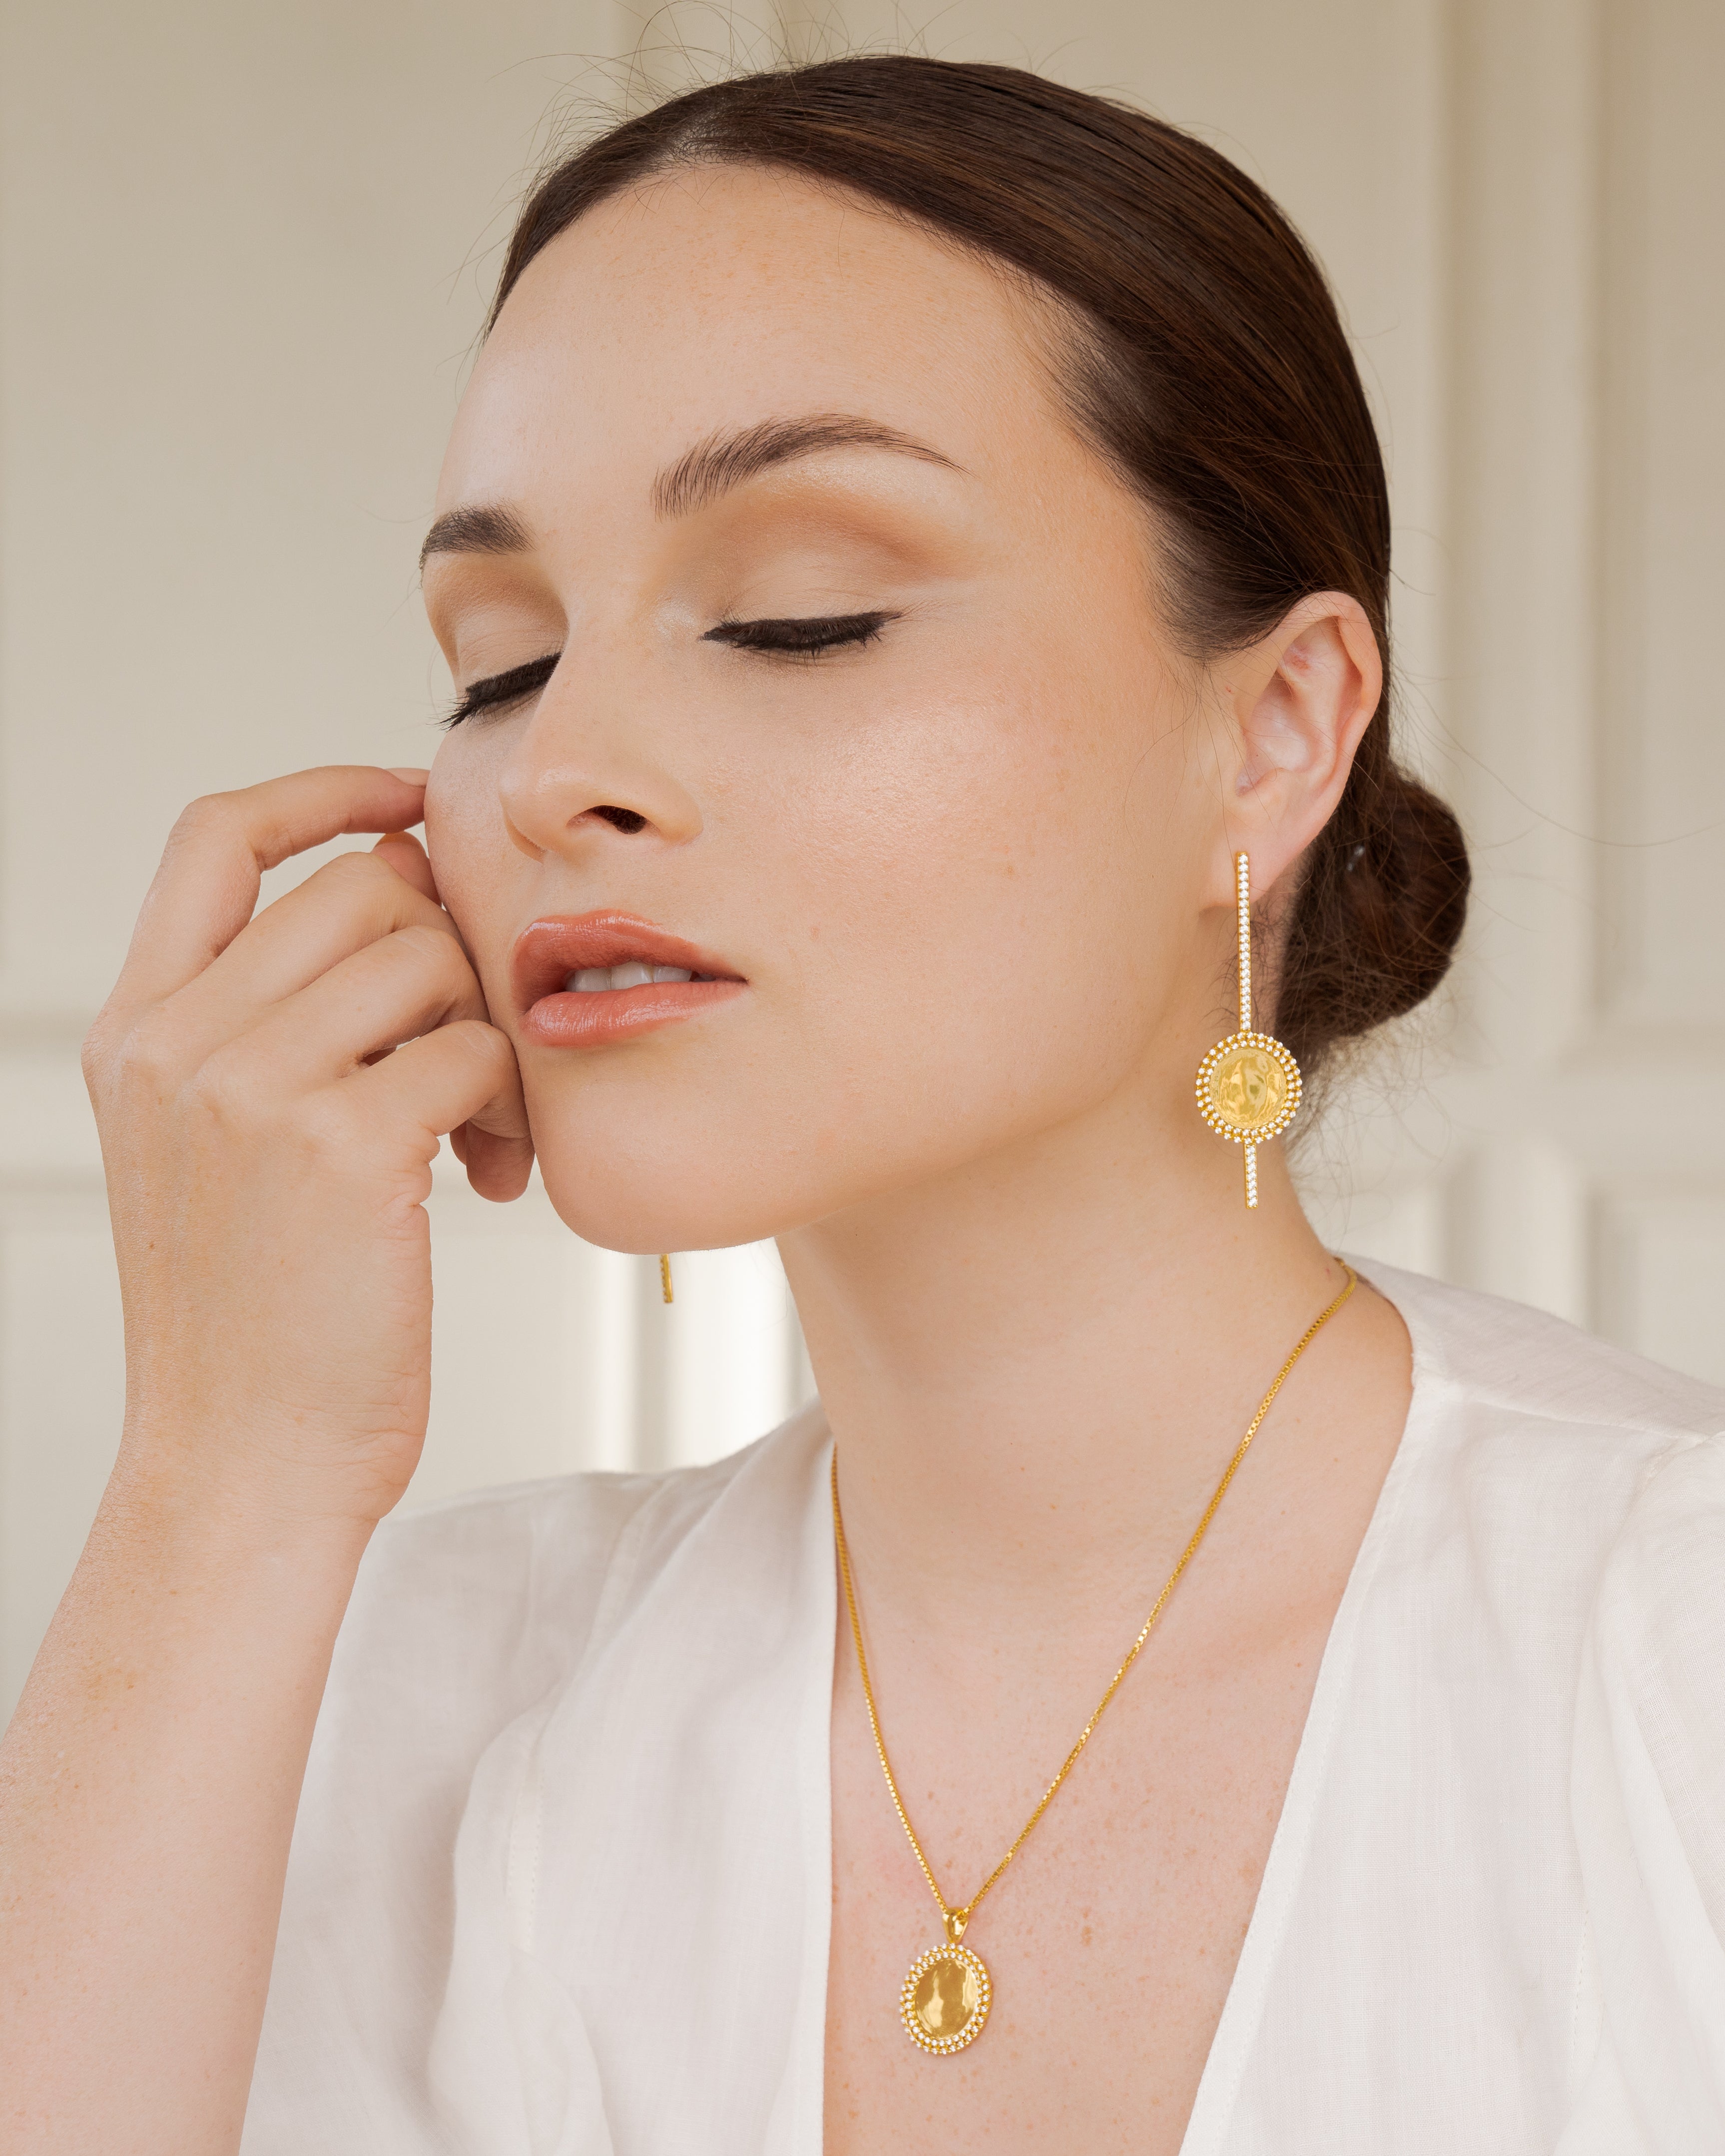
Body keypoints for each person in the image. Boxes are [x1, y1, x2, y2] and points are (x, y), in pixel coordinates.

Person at [2, 53, 1721, 2156]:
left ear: (1276, 733)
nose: (557, 772)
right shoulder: (396, 1693)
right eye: (501, 661)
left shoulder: (1669, 1653)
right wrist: (222, 1475)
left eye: (796, 616)